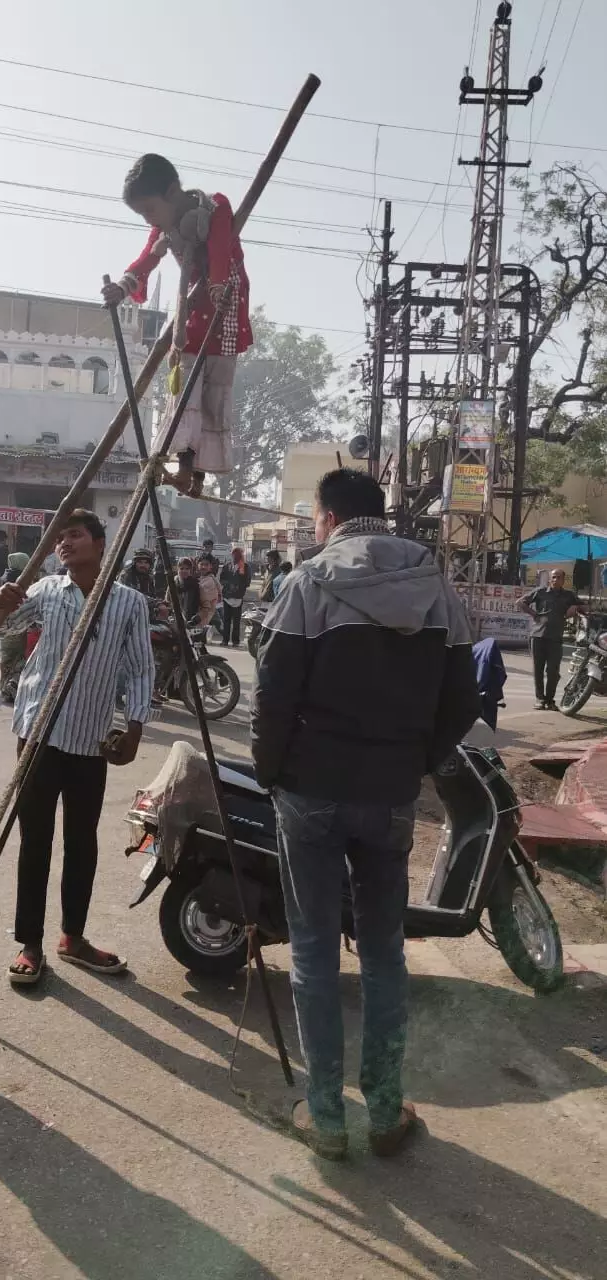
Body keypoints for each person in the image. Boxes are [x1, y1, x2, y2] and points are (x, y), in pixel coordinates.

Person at [251, 468, 480, 1161]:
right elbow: (462, 700)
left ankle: (325, 1117)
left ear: (328, 518)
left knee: (314, 951)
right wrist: (412, 762)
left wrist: (272, 774)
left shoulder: (307, 582)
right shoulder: (436, 587)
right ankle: (384, 1111)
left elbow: (271, 694)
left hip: (309, 793)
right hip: (390, 796)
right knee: (383, 953)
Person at [0, 509, 154, 988]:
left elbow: (140, 667)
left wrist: (135, 728)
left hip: (90, 738)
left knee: (82, 842)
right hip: (37, 731)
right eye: (59, 537)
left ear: (99, 544)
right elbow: (1, 627)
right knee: (34, 840)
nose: (64, 543)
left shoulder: (128, 602)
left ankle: (72, 937)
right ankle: (29, 943)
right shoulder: (46, 590)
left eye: (74, 535)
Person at [102, 154, 252, 497]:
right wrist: (123, 287)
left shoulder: (215, 208)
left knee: (214, 389)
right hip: (192, 309)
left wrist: (217, 288)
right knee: (184, 388)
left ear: (171, 192)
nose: (148, 219)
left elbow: (219, 250)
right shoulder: (165, 227)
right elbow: (147, 258)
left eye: (149, 210)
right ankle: (185, 468)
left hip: (223, 303)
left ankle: (196, 475)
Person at [518, 568, 583, 709]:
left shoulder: (568, 595)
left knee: (553, 671)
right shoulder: (541, 592)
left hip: (555, 638)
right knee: (538, 670)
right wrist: (534, 614)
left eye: (558, 577)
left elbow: (585, 607)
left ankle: (550, 700)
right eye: (553, 577)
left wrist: (575, 607)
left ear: (563, 580)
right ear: (549, 579)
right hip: (537, 636)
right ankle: (540, 699)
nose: (555, 580)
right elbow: (521, 602)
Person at [0, 551, 32, 704]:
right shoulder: (21, 581)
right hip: (18, 625)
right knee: (18, 659)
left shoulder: (3, 578)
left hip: (3, 626)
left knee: (6, 659)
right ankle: (12, 688)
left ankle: (5, 688)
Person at [219, 547, 251, 645]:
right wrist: (229, 584)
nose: (235, 556)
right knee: (226, 620)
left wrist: (238, 586)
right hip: (227, 597)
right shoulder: (227, 566)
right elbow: (221, 579)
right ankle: (225, 640)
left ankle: (235, 641)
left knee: (236, 621)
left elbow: (247, 582)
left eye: (237, 554)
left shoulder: (245, 567)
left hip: (238, 597)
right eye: (234, 554)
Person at [196, 555, 220, 629]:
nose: (203, 567)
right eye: (201, 564)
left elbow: (200, 599)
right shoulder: (200, 578)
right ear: (197, 565)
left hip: (202, 617)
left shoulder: (210, 581)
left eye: (206, 565)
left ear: (210, 566)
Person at [175, 556, 201, 622]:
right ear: (178, 569)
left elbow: (197, 604)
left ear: (190, 570)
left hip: (190, 619)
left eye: (187, 568)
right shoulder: (173, 583)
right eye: (181, 568)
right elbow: (168, 600)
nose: (184, 571)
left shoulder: (195, 584)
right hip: (175, 618)